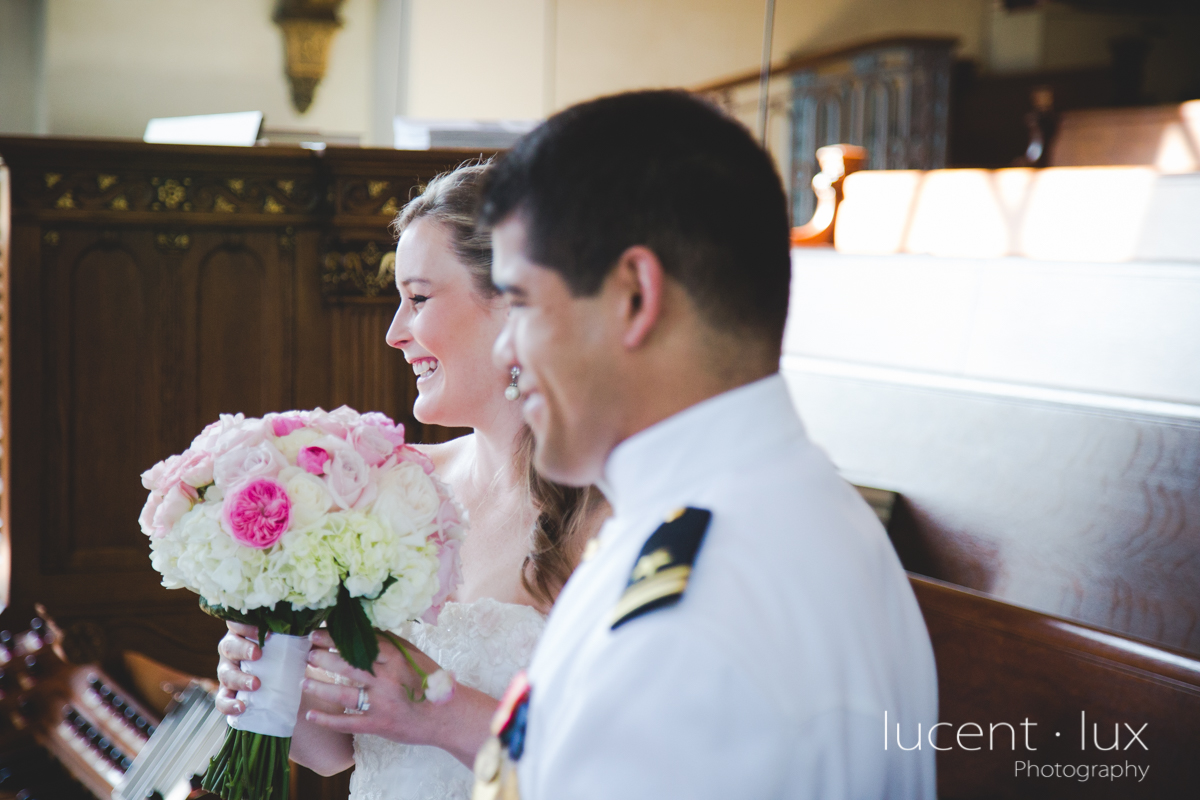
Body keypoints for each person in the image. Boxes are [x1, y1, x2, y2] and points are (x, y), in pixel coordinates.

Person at [477, 89, 939, 799]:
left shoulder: (688, 626)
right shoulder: (798, 507)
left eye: (522, 304)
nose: (506, 349)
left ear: (635, 296)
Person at [213, 162, 606, 800]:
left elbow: (625, 767)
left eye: (419, 299)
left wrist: (440, 712)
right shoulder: (398, 488)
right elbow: (334, 754)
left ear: (514, 302)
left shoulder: (613, 514)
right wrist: (267, 673)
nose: (394, 333)